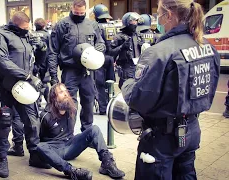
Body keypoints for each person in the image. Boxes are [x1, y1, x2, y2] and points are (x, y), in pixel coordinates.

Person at [121, 0, 220, 179]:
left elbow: (138, 99)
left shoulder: (159, 52)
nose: (157, 19)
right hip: (191, 129)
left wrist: (126, 84)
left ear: (169, 15)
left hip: (162, 138)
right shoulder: (205, 45)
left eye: (158, 14)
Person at [0, 11, 50, 178]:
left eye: (28, 29)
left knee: (32, 122)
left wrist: (42, 48)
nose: (27, 31)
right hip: (6, 88)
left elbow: (38, 61)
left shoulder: (26, 37)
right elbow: (2, 62)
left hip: (25, 89)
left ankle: (35, 155)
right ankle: (2, 159)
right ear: (15, 24)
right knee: (4, 123)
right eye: (24, 28)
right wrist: (28, 76)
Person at [37, 83, 125, 180]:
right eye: (61, 92)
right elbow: (39, 140)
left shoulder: (71, 110)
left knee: (94, 129)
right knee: (40, 146)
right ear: (54, 98)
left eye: (66, 91)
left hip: (70, 146)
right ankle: (71, 171)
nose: (66, 94)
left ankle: (107, 163)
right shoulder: (45, 116)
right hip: (56, 150)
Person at [48, 0, 106, 131]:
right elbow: (53, 51)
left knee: (88, 101)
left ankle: (87, 132)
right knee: (68, 103)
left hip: (88, 71)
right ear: (72, 9)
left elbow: (101, 44)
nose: (79, 15)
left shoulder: (92, 25)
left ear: (86, 10)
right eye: (76, 12)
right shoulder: (62, 25)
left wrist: (95, 51)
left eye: (82, 13)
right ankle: (67, 133)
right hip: (70, 70)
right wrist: (53, 76)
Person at [109, 12, 144, 89]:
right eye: (132, 21)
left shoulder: (138, 35)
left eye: (136, 21)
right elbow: (111, 52)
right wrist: (122, 47)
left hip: (138, 67)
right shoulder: (119, 36)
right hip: (125, 67)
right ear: (127, 22)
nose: (135, 23)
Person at [93, 4, 116, 115]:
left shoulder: (96, 26)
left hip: (100, 58)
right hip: (111, 58)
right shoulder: (112, 26)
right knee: (110, 83)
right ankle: (111, 106)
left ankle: (103, 108)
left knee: (100, 84)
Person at [31, 18, 50, 108]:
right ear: (44, 25)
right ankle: (49, 102)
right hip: (45, 62)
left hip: (34, 62)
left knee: (35, 82)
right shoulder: (47, 35)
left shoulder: (31, 35)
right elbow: (51, 49)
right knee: (44, 82)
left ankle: (37, 102)